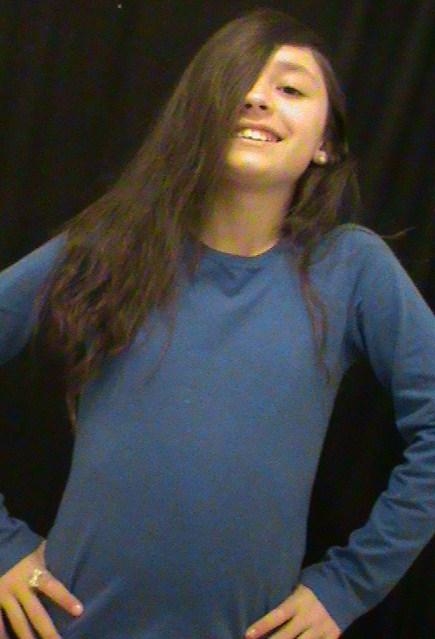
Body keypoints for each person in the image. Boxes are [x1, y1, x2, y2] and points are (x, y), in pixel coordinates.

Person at [0, 7, 434, 639]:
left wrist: (348, 586)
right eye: (237, 81)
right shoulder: (111, 244)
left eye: (290, 88)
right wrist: (3, 548)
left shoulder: (350, 269)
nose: (256, 98)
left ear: (326, 143)